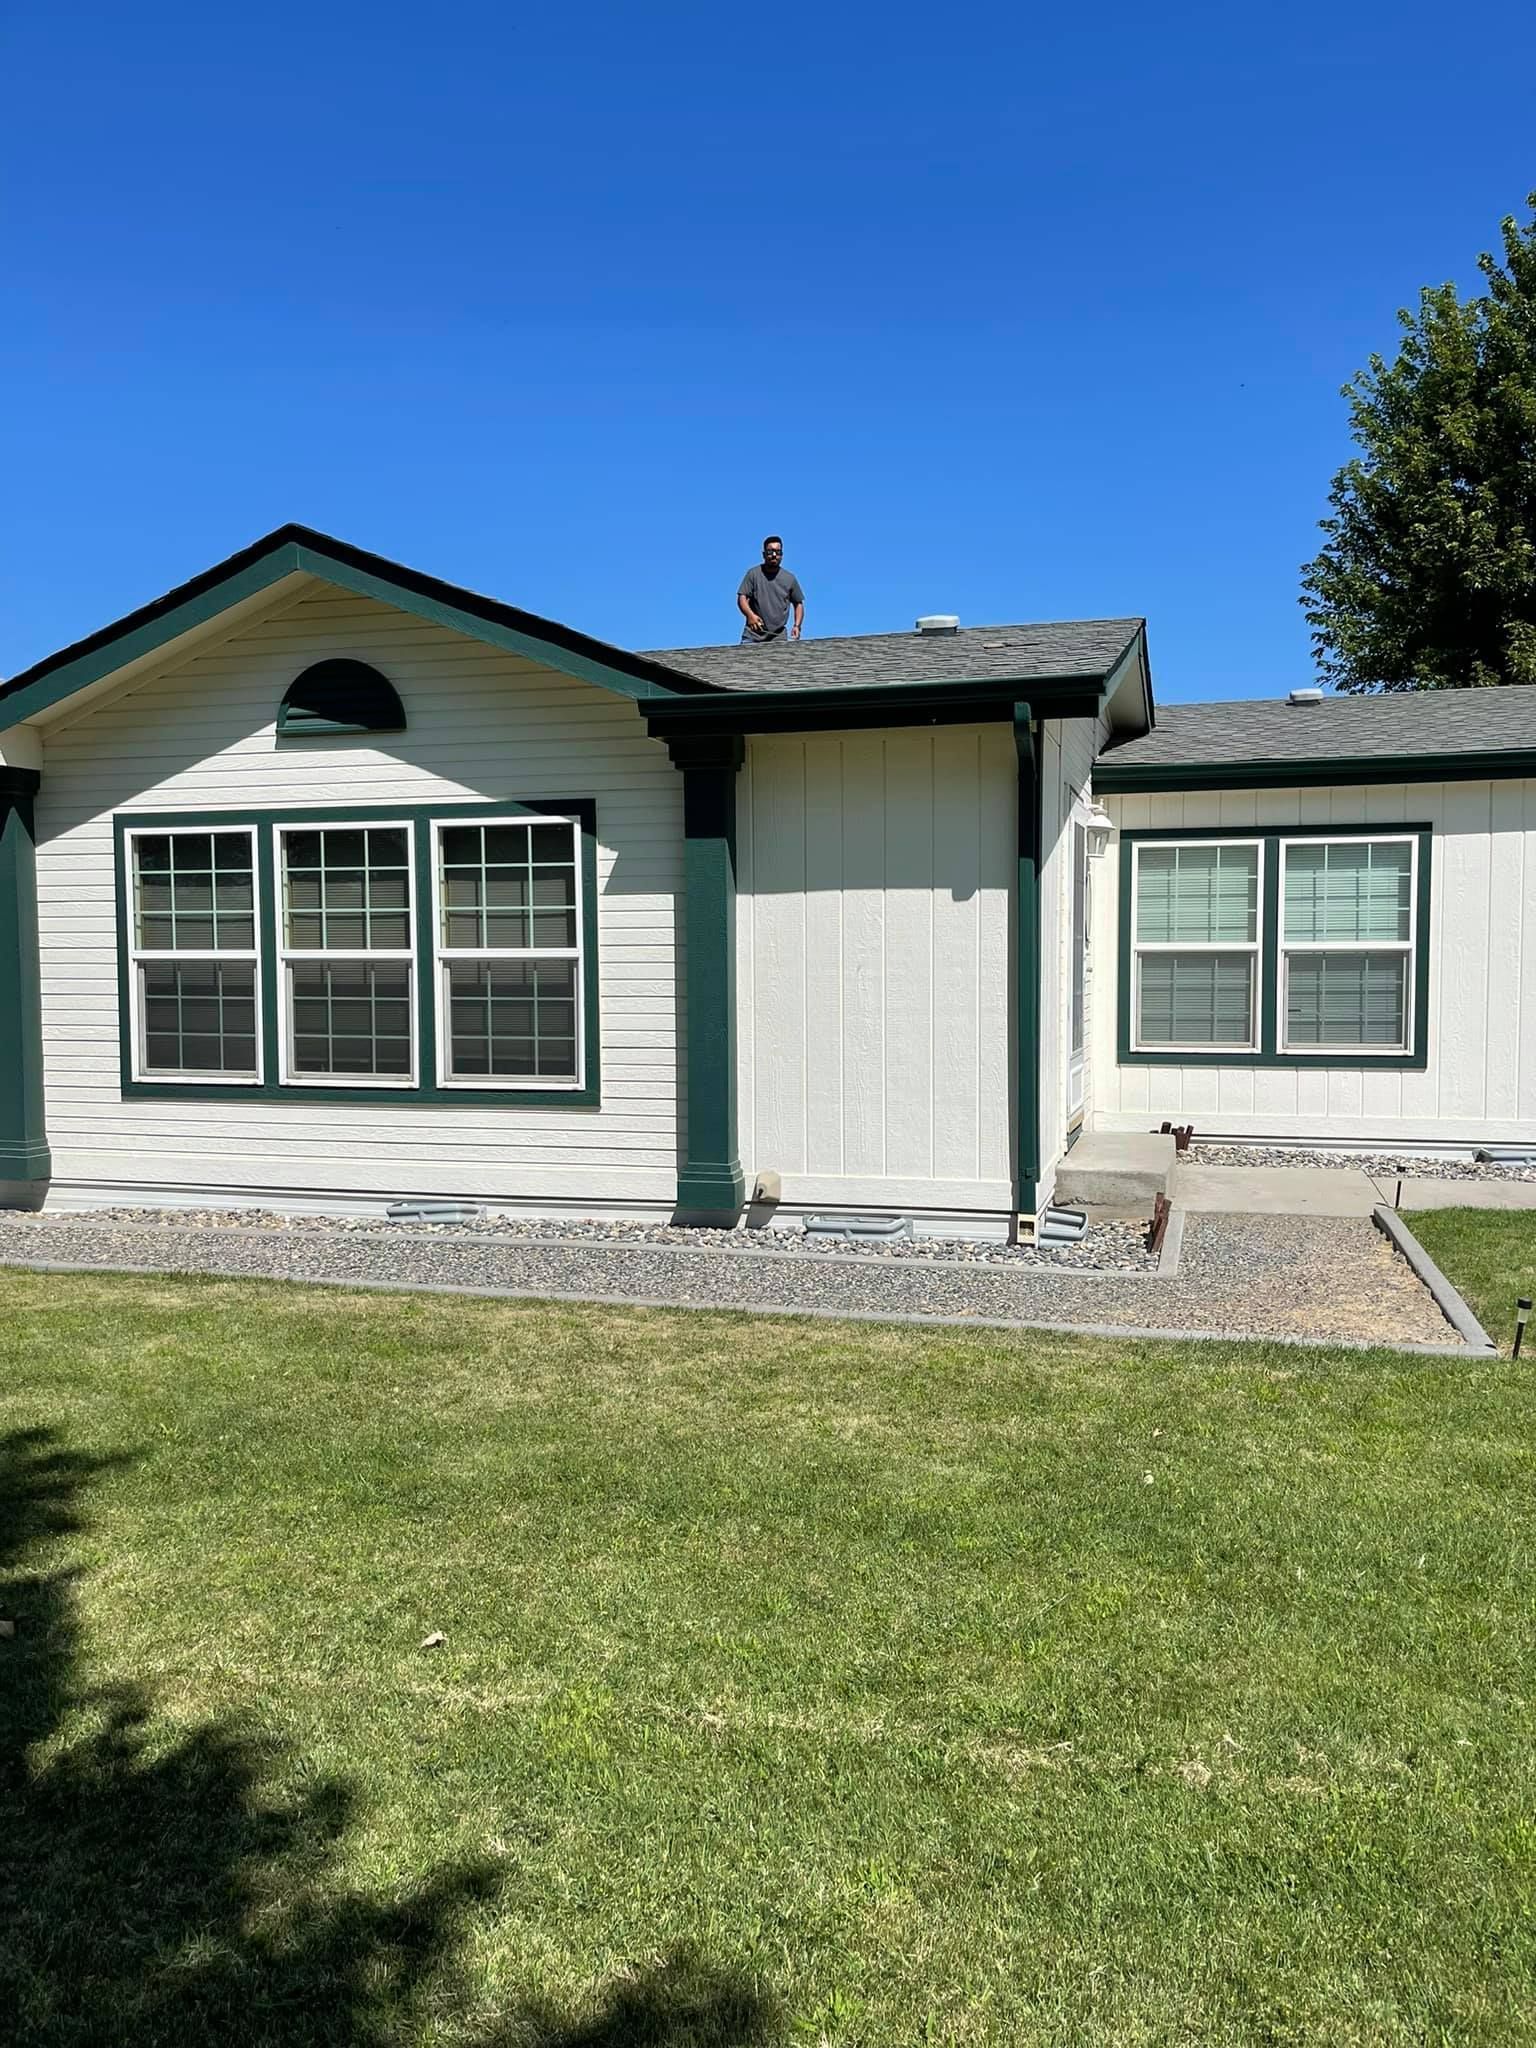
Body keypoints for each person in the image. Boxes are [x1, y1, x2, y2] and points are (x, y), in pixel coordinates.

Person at [737, 537, 804, 644]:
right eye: (770, 552)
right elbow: (742, 597)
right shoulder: (753, 574)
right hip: (752, 635)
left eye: (778, 552)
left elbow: (798, 603)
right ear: (763, 554)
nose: (774, 555)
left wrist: (797, 626)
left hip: (778, 637)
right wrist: (750, 615)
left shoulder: (789, 578)